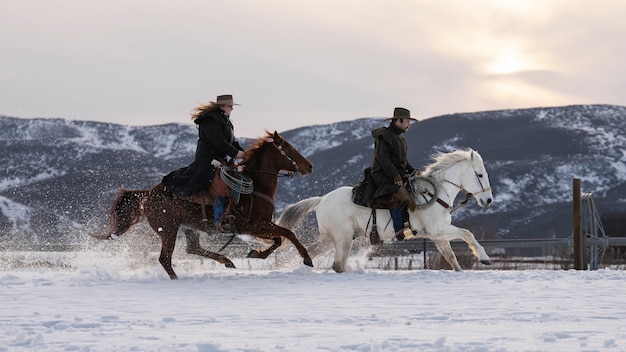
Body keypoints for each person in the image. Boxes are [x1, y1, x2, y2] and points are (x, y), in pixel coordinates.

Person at [162, 94, 245, 231]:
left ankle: (234, 214)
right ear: (223, 106)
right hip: (208, 160)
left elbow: (232, 142)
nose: (232, 109)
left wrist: (242, 152)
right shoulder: (210, 121)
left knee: (237, 181)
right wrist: (235, 153)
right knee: (221, 189)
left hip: (221, 161)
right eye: (230, 106)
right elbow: (219, 142)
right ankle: (219, 220)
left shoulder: (225, 121)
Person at [370, 107, 419, 239]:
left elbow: (402, 161)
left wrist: (412, 170)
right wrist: (395, 175)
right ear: (398, 121)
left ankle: (408, 227)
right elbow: (382, 158)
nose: (409, 124)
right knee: (399, 196)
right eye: (407, 121)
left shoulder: (400, 139)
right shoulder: (385, 136)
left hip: (395, 174)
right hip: (382, 174)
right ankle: (399, 230)